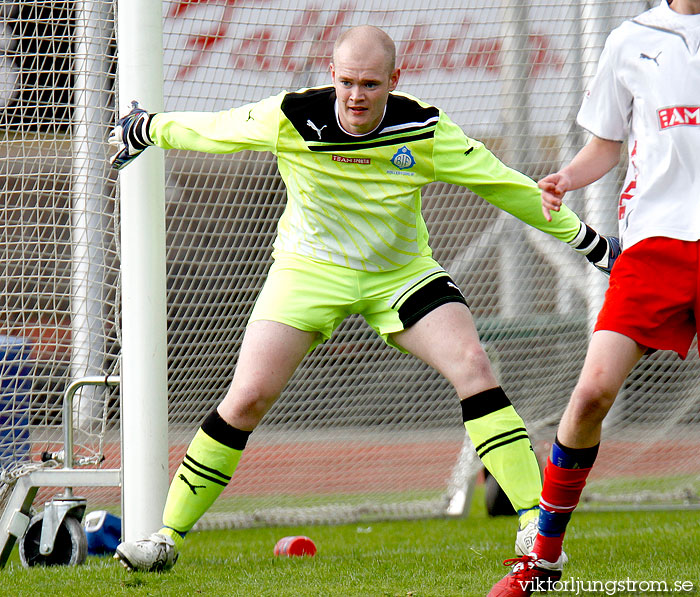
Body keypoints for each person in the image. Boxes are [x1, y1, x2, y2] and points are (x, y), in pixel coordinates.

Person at [109, 25, 618, 572]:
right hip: (308, 273)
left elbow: (502, 184)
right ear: (332, 76)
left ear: (394, 81)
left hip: (400, 275)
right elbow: (217, 129)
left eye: (370, 84)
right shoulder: (293, 116)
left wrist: (588, 242)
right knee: (248, 397)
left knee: (473, 364)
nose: (355, 95)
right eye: (347, 81)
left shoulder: (423, 129)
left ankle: (534, 528)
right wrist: (149, 129)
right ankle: (165, 538)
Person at [488, 0, 700, 594]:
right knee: (590, 396)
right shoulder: (630, 39)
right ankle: (542, 563)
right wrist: (567, 178)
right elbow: (607, 143)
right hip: (653, 250)